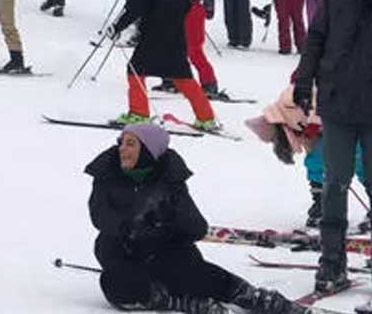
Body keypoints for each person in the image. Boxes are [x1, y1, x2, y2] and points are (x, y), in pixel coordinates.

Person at [86, 122, 306, 314]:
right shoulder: (107, 174)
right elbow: (100, 216)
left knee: (194, 274)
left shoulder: (170, 179)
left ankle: (250, 296)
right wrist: (131, 225)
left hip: (164, 251)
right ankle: (179, 302)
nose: (122, 149)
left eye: (130, 144)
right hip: (123, 252)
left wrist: (171, 216)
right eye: (121, 142)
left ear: (148, 150)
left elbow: (197, 229)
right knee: (116, 284)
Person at [293, 0, 372, 293]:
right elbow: (316, 39)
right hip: (338, 104)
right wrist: (304, 80)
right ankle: (331, 262)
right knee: (334, 183)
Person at [106, 0, 218, 130]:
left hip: (153, 35)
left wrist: (117, 27)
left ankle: (139, 114)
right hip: (176, 35)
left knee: (135, 70)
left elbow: (135, 6)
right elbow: (187, 6)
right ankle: (206, 118)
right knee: (182, 77)